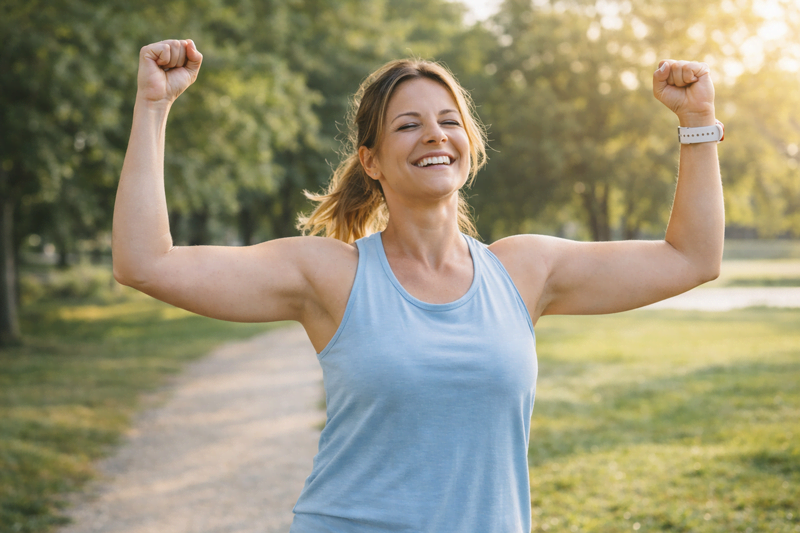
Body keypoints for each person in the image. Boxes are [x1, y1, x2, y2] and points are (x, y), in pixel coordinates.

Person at [112, 39, 723, 532]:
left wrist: (698, 121)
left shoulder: (525, 271)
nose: (434, 134)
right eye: (408, 125)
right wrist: (152, 106)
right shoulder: (331, 275)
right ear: (371, 161)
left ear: (468, 145)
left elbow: (692, 257)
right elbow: (145, 262)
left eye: (448, 121)